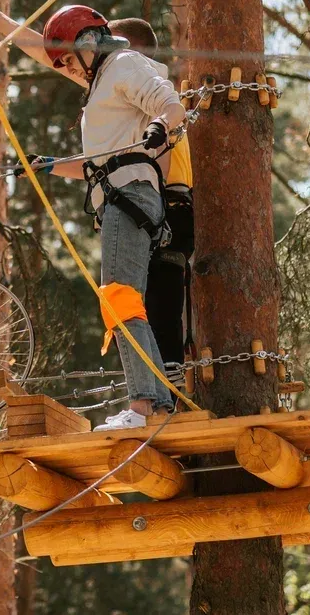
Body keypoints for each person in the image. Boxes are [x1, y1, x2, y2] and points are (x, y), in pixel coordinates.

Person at [0, 0, 186, 430]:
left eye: (72, 59)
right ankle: (156, 403)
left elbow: (170, 103)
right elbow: (95, 163)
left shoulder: (122, 63)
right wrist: (47, 167)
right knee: (125, 300)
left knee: (118, 297)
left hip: (129, 195)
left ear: (89, 41)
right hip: (121, 194)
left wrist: (161, 126)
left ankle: (142, 406)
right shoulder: (102, 83)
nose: (69, 70)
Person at [108, 19, 195, 377]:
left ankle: (165, 394)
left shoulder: (149, 102)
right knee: (155, 302)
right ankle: (162, 389)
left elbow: (159, 160)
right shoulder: (152, 100)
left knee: (155, 302)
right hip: (171, 207)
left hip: (164, 207)